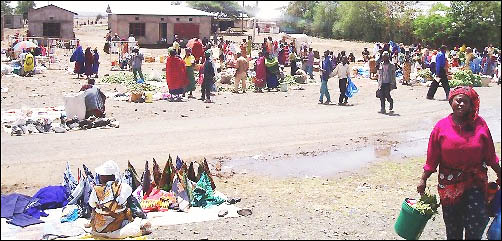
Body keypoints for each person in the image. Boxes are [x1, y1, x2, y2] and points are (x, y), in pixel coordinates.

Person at [417, 86, 501, 240]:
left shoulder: (480, 125)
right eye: (458, 101)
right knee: (453, 225)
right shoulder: (441, 127)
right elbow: (432, 157)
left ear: (471, 105)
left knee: (477, 222)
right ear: (451, 102)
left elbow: (490, 154)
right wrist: (423, 178)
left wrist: (500, 173)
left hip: (475, 182)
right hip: (449, 185)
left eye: (466, 102)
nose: (461, 104)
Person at [89, 160, 151, 238]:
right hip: (115, 225)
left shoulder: (96, 189)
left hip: (97, 226)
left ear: (103, 176)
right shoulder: (124, 187)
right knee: (132, 215)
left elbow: (92, 204)